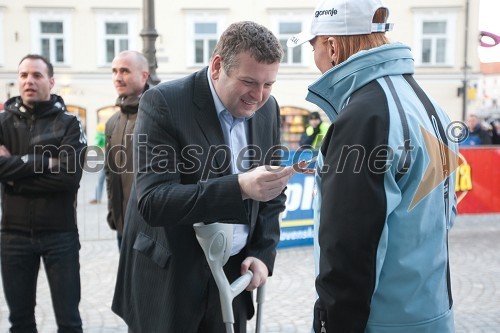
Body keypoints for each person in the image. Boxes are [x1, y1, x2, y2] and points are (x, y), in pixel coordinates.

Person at [112, 21, 293, 332]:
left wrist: (263, 253)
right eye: (249, 81)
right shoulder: (163, 103)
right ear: (217, 66)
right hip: (169, 283)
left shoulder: (268, 109)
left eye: (268, 84)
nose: (258, 96)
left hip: (233, 281)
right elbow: (154, 201)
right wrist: (239, 187)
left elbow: (272, 192)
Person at [288, 0, 458, 331]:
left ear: (332, 46)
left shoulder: (366, 115)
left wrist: (331, 323)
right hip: (431, 311)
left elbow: (348, 249)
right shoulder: (429, 104)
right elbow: (442, 214)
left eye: (313, 45)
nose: (314, 58)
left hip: (382, 320)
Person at [0, 54, 86, 332]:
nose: (29, 81)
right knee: (20, 322)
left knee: (69, 322)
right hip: (13, 236)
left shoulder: (69, 124)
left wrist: (13, 176)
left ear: (50, 81)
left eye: (36, 75)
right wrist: (43, 164)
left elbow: (68, 178)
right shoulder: (3, 123)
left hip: (60, 235)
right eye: (23, 75)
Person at [104, 50, 149, 248]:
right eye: (114, 71)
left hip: (150, 227)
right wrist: (114, 213)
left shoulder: (159, 113)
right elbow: (109, 172)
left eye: (125, 71)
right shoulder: (113, 122)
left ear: (144, 75)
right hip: (122, 225)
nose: (118, 77)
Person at [89, 122, 106, 204]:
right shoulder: (104, 136)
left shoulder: (100, 137)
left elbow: (97, 147)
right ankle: (97, 197)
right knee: (101, 179)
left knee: (100, 179)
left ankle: (97, 198)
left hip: (104, 159)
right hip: (105, 158)